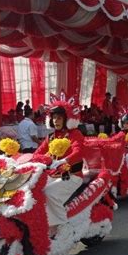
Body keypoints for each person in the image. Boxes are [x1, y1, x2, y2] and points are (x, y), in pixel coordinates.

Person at [33, 92, 84, 237]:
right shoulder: (51, 136)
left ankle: (60, 226)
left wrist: (63, 160)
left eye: (59, 117)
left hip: (71, 175)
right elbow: (39, 152)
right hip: (53, 175)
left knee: (49, 193)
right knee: (33, 190)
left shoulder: (75, 134)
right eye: (54, 117)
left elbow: (78, 151)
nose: (56, 120)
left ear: (67, 119)